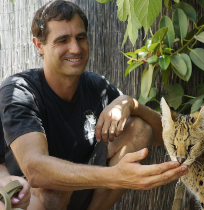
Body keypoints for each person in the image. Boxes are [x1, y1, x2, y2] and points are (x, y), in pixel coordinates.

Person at [0, 1, 188, 209]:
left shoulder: (95, 86)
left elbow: (164, 137)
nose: (76, 48)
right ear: (39, 45)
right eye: (62, 40)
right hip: (28, 199)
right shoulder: (19, 90)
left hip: (79, 197)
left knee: (139, 128)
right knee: (52, 187)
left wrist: (131, 104)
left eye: (81, 38)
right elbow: (36, 170)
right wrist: (114, 176)